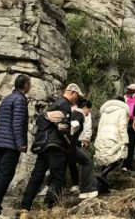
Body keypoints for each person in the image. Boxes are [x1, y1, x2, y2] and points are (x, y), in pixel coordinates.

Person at [19, 84, 82, 216]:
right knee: (58, 177)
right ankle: (49, 206)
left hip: (43, 146)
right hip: (55, 146)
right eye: (77, 96)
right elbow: (62, 127)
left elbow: (42, 121)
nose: (77, 100)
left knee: (37, 176)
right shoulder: (64, 104)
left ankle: (25, 206)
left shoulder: (54, 104)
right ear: (73, 93)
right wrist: (68, 144)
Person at [0, 75, 31, 219]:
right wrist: (21, 143)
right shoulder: (20, 99)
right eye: (29, 84)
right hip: (11, 145)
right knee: (4, 176)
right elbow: (17, 123)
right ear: (26, 85)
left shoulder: (7, 98)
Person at [94, 97, 129, 194]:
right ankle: (103, 174)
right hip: (114, 137)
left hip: (101, 136)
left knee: (105, 160)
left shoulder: (104, 112)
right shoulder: (122, 111)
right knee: (119, 158)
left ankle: (102, 188)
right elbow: (122, 127)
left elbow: (100, 126)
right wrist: (125, 140)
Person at [68, 98, 98, 200]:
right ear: (85, 107)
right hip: (71, 145)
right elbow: (73, 125)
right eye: (89, 110)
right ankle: (87, 190)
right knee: (87, 162)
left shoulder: (72, 112)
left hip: (66, 145)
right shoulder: (80, 114)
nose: (89, 112)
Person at [122, 84, 135, 172]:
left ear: (134, 90)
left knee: (131, 143)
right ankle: (125, 164)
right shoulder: (125, 97)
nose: (128, 90)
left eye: (129, 89)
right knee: (126, 143)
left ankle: (127, 164)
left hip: (134, 121)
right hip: (124, 121)